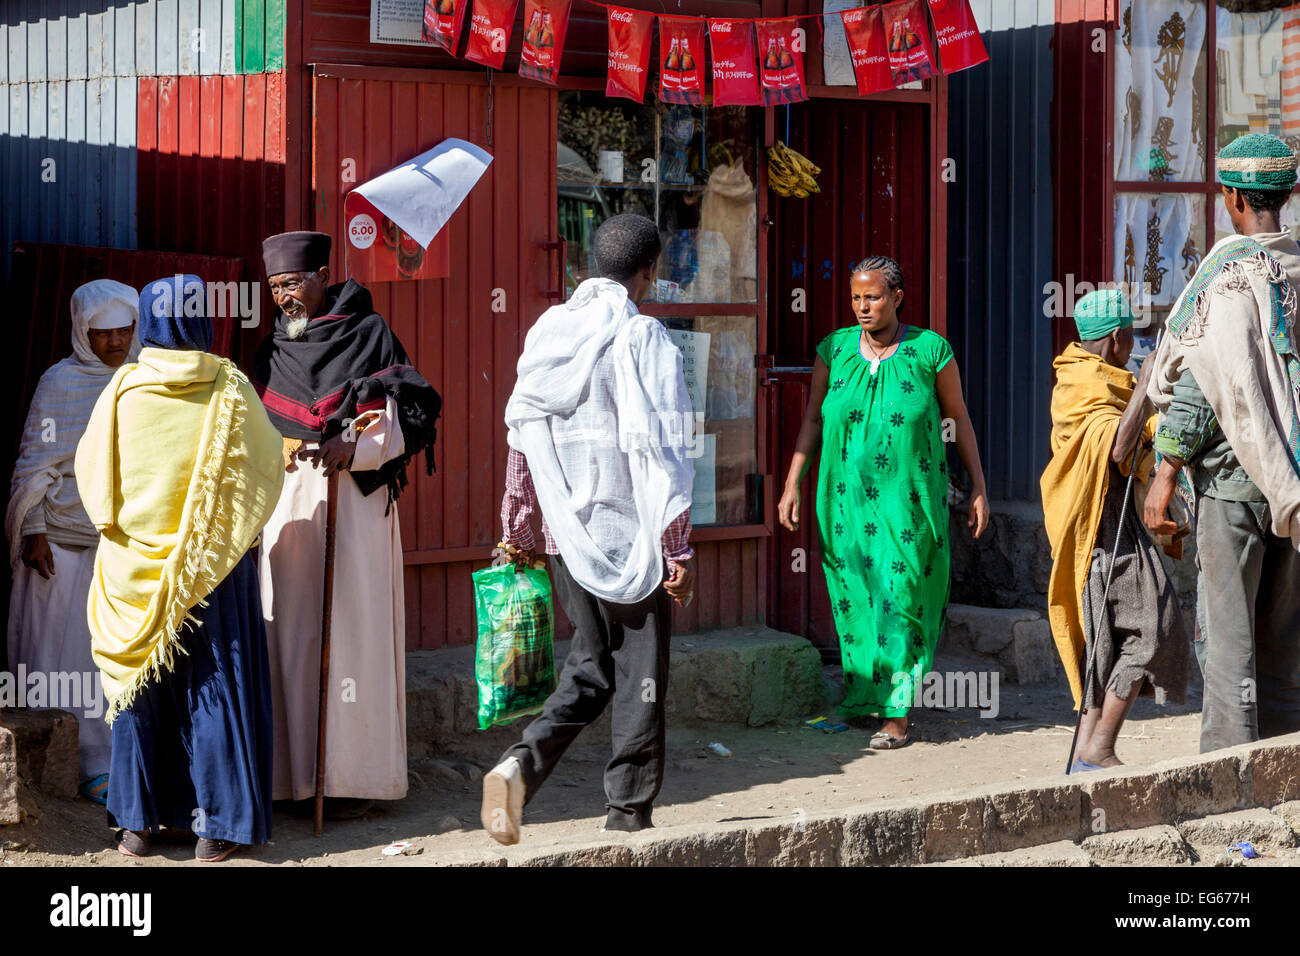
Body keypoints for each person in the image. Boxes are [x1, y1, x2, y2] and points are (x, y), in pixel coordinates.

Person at [481, 214, 696, 845]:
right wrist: (676, 544)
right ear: (649, 270)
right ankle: (627, 811)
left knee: (590, 669)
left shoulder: (552, 331)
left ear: (588, 264)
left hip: (564, 538)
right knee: (639, 677)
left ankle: (518, 768)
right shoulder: (643, 337)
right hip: (632, 538)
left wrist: (517, 531)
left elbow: (522, 435)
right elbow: (667, 450)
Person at [74, 275, 284, 861]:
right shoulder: (231, 389)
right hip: (210, 572)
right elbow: (266, 470)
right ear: (204, 320)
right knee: (213, 686)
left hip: (133, 573)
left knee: (139, 690)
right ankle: (215, 828)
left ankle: (139, 826)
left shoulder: (122, 391)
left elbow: (95, 484)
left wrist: (135, 535)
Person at [252, 231, 441, 815]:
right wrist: (278, 445)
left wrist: (353, 443)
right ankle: (293, 780)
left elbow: (411, 408)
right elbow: (254, 422)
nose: (285, 296)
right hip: (290, 510)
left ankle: (352, 779)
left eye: (294, 283)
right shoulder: (271, 351)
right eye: (276, 286)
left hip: (355, 508)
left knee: (352, 634)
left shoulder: (369, 332)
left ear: (323, 275)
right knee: (290, 631)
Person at [777, 256, 989, 749]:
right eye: (855, 297)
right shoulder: (833, 351)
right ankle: (861, 700)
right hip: (843, 503)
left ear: (897, 297)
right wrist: (792, 483)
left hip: (909, 506)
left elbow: (959, 419)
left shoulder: (929, 351)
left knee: (901, 599)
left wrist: (978, 484)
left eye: (872, 296)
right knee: (854, 602)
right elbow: (812, 421)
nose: (862, 306)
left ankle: (896, 714)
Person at [1145, 133, 1300, 753]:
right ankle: (1287, 771)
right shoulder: (1291, 269)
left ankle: (1229, 779)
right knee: (1285, 645)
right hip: (1294, 491)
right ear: (1285, 197)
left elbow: (1210, 385)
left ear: (1233, 197)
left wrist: (1163, 476)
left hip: (1236, 490)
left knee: (1231, 643)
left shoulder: (1228, 278)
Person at [1041, 290, 1188, 772]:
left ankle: (1086, 755)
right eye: (1131, 337)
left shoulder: (1093, 375)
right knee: (1155, 626)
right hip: (1099, 533)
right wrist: (1146, 385)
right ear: (1117, 337)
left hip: (1116, 527)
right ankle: (1100, 745)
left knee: (1109, 641)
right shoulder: (1083, 384)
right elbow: (1117, 450)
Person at [6, 280, 139, 805]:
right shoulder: (59, 383)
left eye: (124, 330)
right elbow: (33, 465)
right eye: (102, 333)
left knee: (105, 658)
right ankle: (57, 762)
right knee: (54, 656)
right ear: (83, 333)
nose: (114, 343)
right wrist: (34, 529)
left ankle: (107, 765)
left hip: (118, 539)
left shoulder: (143, 380)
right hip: (57, 541)